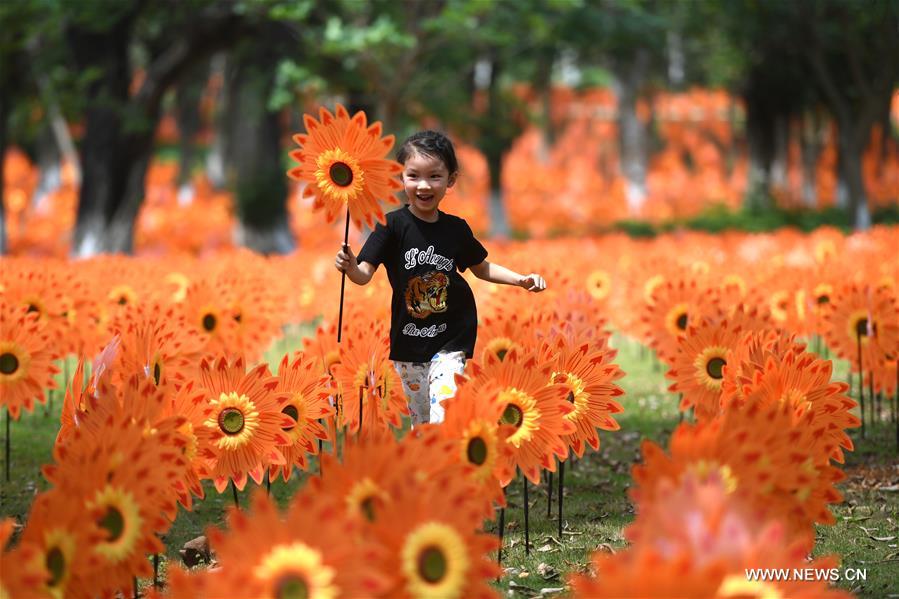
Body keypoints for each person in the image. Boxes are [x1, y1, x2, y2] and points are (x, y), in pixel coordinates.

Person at [334, 130, 546, 425]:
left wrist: (521, 279)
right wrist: (349, 266)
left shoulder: (456, 229)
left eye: (434, 176)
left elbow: (481, 267)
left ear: (451, 180)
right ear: (400, 177)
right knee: (422, 424)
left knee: (443, 414)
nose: (423, 185)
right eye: (414, 176)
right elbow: (363, 274)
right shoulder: (391, 225)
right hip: (408, 343)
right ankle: (430, 468)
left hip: (450, 339)